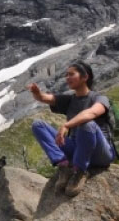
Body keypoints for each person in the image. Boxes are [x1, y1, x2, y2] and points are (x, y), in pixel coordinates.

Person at [29, 60, 115, 197]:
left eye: (71, 74)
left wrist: (67, 125)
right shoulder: (70, 99)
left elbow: (91, 113)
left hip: (100, 153)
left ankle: (80, 171)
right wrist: (37, 93)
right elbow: (45, 98)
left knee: (87, 123)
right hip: (76, 149)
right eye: (66, 75)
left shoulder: (99, 98)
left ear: (85, 77)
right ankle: (64, 166)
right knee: (37, 125)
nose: (67, 78)